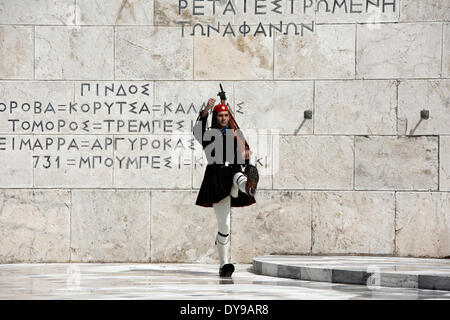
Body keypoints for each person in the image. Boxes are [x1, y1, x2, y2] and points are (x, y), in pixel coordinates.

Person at [192, 97, 259, 277]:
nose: (223, 118)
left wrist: (246, 156)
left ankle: (248, 186)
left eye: (225, 115)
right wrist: (206, 109)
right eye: (220, 115)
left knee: (238, 176)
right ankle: (224, 265)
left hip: (234, 172)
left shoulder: (235, 133)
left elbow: (245, 153)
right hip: (216, 178)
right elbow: (197, 130)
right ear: (215, 117)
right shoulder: (207, 136)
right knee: (225, 226)